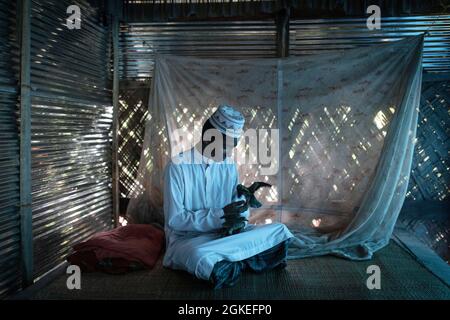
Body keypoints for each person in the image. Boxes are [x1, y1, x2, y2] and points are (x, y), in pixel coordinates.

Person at [163, 104, 294, 289]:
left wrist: (241, 212)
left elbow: (237, 211)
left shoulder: (228, 166)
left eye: (232, 147)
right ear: (209, 138)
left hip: (227, 237)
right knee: (199, 256)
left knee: (280, 231)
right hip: (190, 240)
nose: (229, 152)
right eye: (226, 146)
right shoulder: (177, 167)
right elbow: (175, 221)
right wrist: (221, 215)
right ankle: (243, 258)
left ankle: (231, 262)